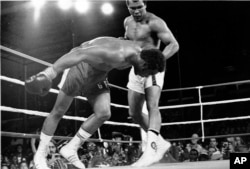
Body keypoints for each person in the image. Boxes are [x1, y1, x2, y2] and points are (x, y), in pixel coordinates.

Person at [25, 36, 165, 169]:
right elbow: (80, 53)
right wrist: (50, 73)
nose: (146, 76)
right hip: (80, 67)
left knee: (103, 113)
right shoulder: (116, 53)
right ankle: (39, 156)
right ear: (144, 64)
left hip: (98, 75)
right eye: (149, 73)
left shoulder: (142, 53)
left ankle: (70, 148)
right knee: (58, 112)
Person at [123, 0, 179, 167]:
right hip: (135, 68)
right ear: (127, 7)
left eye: (140, 7)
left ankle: (151, 149)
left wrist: (157, 61)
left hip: (152, 69)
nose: (137, 11)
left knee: (152, 105)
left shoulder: (155, 22)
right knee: (134, 113)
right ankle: (160, 143)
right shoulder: (127, 21)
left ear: (145, 5)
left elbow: (174, 45)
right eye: (133, 8)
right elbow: (129, 41)